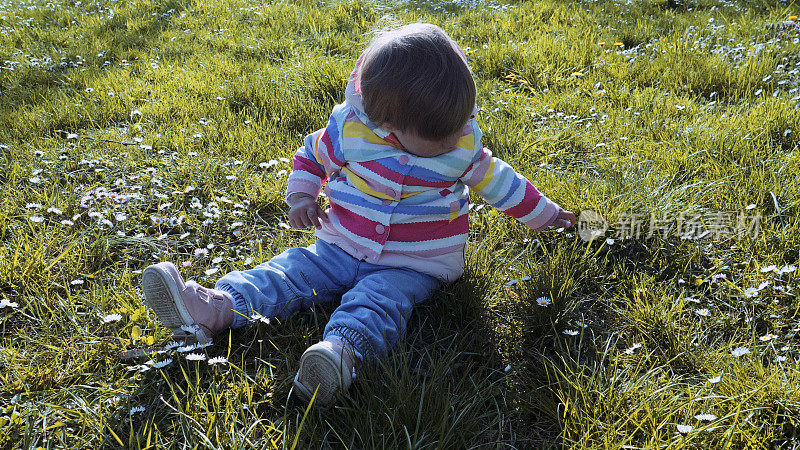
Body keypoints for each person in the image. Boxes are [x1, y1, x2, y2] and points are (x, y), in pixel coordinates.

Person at [141, 23, 576, 406]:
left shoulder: (460, 144)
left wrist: (547, 214)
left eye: (460, 125)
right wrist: (301, 197)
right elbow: (311, 156)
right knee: (289, 272)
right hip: (340, 242)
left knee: (380, 302)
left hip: (414, 263)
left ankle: (340, 355)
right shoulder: (350, 131)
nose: (454, 139)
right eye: (440, 137)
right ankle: (215, 308)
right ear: (389, 124)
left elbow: (504, 184)